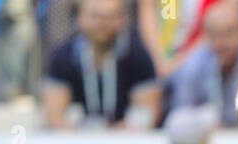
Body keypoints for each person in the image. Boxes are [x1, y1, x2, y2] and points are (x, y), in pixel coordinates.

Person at [42, 0, 160, 130]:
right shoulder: (62, 56)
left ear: (123, 19)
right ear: (80, 18)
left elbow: (147, 114)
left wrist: (110, 135)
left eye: (109, 16)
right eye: (95, 16)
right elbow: (54, 115)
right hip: (75, 142)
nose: (101, 23)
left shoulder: (138, 55)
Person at [166, 0, 238, 127]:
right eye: (215, 35)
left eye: (228, 33)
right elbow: (180, 113)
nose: (222, 43)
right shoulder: (195, 64)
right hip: (209, 140)